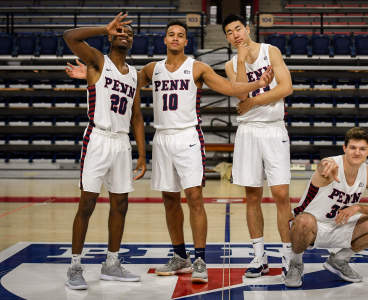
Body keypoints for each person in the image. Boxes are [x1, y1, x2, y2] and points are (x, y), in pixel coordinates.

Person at [66, 20, 274, 284]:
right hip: (161, 137)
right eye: (171, 35)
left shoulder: (197, 67)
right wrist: (90, 76)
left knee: (195, 198)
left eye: (181, 35)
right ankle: (180, 256)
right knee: (170, 200)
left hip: (187, 136)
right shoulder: (151, 70)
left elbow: (228, 88)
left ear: (187, 41)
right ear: (164, 40)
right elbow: (119, 84)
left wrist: (256, 86)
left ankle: (199, 259)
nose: (175, 38)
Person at [63, 12, 147, 290]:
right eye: (119, 31)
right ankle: (75, 266)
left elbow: (136, 116)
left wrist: (143, 155)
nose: (125, 35)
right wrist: (103, 27)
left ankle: (111, 263)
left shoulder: (134, 75)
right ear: (110, 36)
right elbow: (69, 37)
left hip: (122, 143)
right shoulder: (98, 61)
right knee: (86, 204)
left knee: (120, 205)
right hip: (98, 137)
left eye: (129, 33)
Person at [222, 14, 294, 279]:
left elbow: (286, 87)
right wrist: (241, 61)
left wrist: (254, 101)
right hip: (248, 133)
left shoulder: (270, 51)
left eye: (238, 29)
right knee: (252, 196)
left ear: (248, 28)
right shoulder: (231, 64)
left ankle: (288, 255)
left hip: (274, 130)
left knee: (281, 194)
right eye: (229, 32)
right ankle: (259, 256)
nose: (235, 35)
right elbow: (240, 93)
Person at [284, 127, 368, 287]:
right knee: (303, 221)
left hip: (341, 227)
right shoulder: (331, 165)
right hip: (313, 227)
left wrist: (359, 208)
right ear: (344, 148)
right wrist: (325, 165)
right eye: (353, 148)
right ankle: (295, 263)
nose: (357, 152)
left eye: (362, 149)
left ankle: (339, 260)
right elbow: (323, 166)